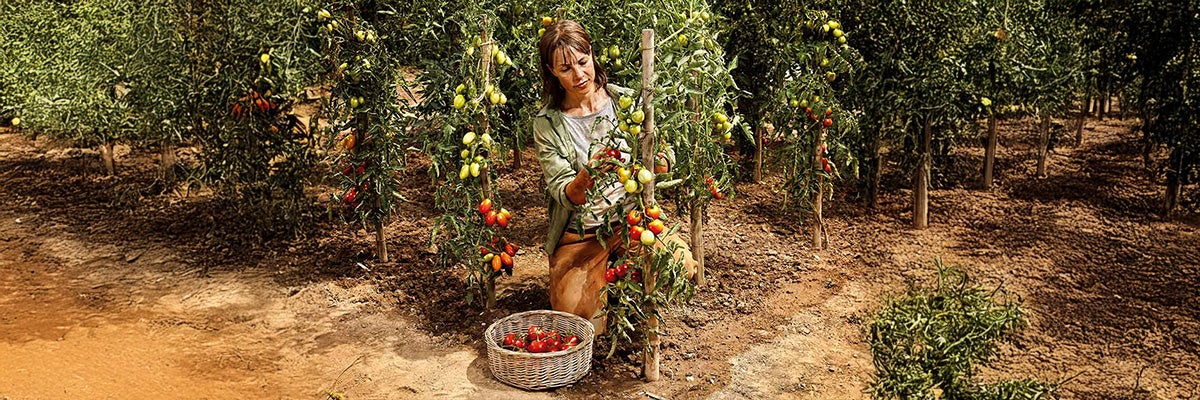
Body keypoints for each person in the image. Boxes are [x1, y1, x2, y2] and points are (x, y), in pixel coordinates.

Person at [532, 19, 696, 335]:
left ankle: (624, 292)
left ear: (592, 55)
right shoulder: (547, 124)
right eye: (565, 68)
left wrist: (657, 161)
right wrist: (588, 174)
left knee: (678, 265)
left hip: (631, 222)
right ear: (552, 72)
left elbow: (664, 156)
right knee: (582, 323)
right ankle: (600, 289)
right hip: (581, 236)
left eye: (583, 62)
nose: (579, 74)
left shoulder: (626, 103)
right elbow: (565, 194)